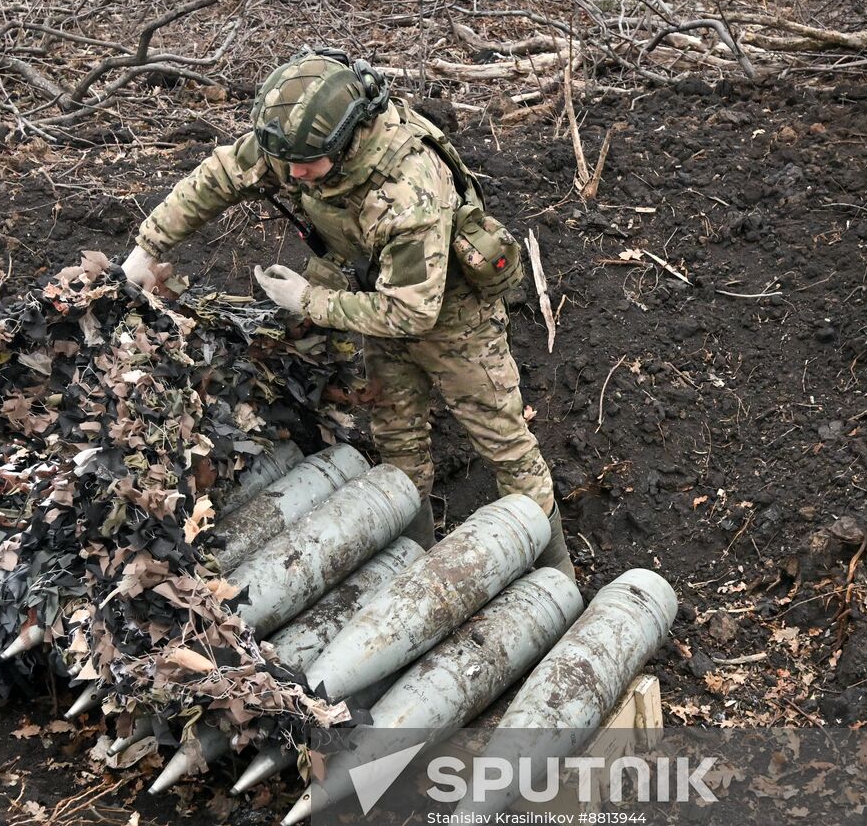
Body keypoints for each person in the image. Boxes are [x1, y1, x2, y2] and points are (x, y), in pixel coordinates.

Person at [121, 47, 574, 579]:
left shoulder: (406, 190)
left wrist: (308, 301)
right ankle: (412, 565)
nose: (292, 173)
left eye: (305, 164)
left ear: (347, 139)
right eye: (286, 161)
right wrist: (146, 249)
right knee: (397, 441)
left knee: (505, 446)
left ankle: (554, 578)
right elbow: (221, 174)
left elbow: (412, 314)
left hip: (452, 321)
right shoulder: (300, 141)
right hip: (371, 297)